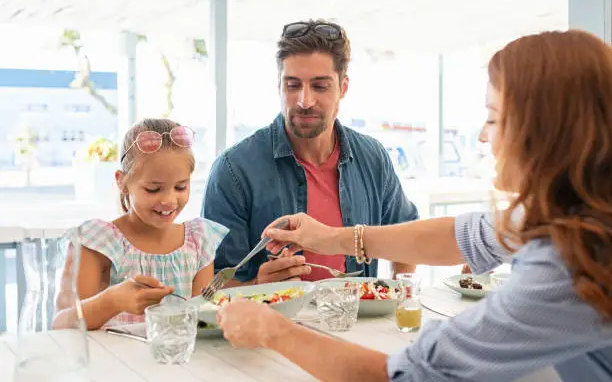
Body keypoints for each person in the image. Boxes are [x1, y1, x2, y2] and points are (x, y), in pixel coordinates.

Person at [216, 30, 612, 382]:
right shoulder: (581, 219)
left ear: (542, 132)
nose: (481, 137)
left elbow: (407, 376)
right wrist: (331, 238)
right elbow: (467, 235)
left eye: (493, 119)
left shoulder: (569, 264)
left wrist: (273, 330)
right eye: (292, 84)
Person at [202, 19, 419, 285]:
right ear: (279, 86)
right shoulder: (233, 170)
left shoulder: (373, 158)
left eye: (320, 86)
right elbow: (212, 287)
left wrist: (401, 297)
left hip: (358, 325)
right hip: (272, 326)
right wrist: (257, 287)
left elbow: (408, 237)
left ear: (343, 88)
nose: (305, 101)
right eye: (292, 85)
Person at [54, 118, 228, 330]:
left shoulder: (199, 240)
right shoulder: (98, 241)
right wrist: (112, 300)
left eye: (181, 187)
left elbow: (202, 323)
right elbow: (61, 324)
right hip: (111, 361)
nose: (169, 201)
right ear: (122, 182)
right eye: (153, 189)